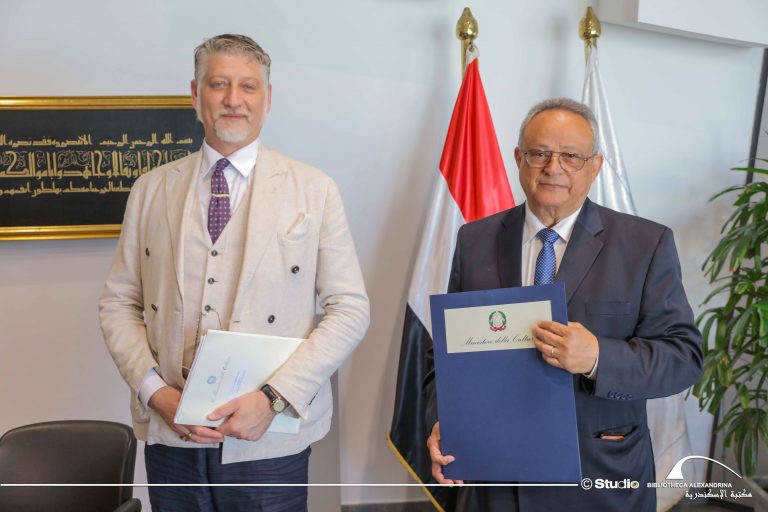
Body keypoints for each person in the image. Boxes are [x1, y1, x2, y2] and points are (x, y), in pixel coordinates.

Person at [99, 33, 369, 512]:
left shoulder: (314, 190)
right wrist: (155, 392)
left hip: (270, 438)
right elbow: (119, 302)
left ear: (267, 98)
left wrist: (274, 398)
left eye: (247, 86)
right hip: (172, 433)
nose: (232, 99)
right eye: (218, 84)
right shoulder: (150, 189)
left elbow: (349, 310)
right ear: (195, 93)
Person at [424, 97, 702, 511]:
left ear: (595, 165)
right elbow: (444, 356)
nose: (553, 167)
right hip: (494, 482)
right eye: (539, 153)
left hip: (599, 483)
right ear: (518, 159)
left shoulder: (646, 244)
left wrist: (598, 358)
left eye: (571, 156)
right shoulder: (475, 240)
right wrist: (444, 421)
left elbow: (683, 358)